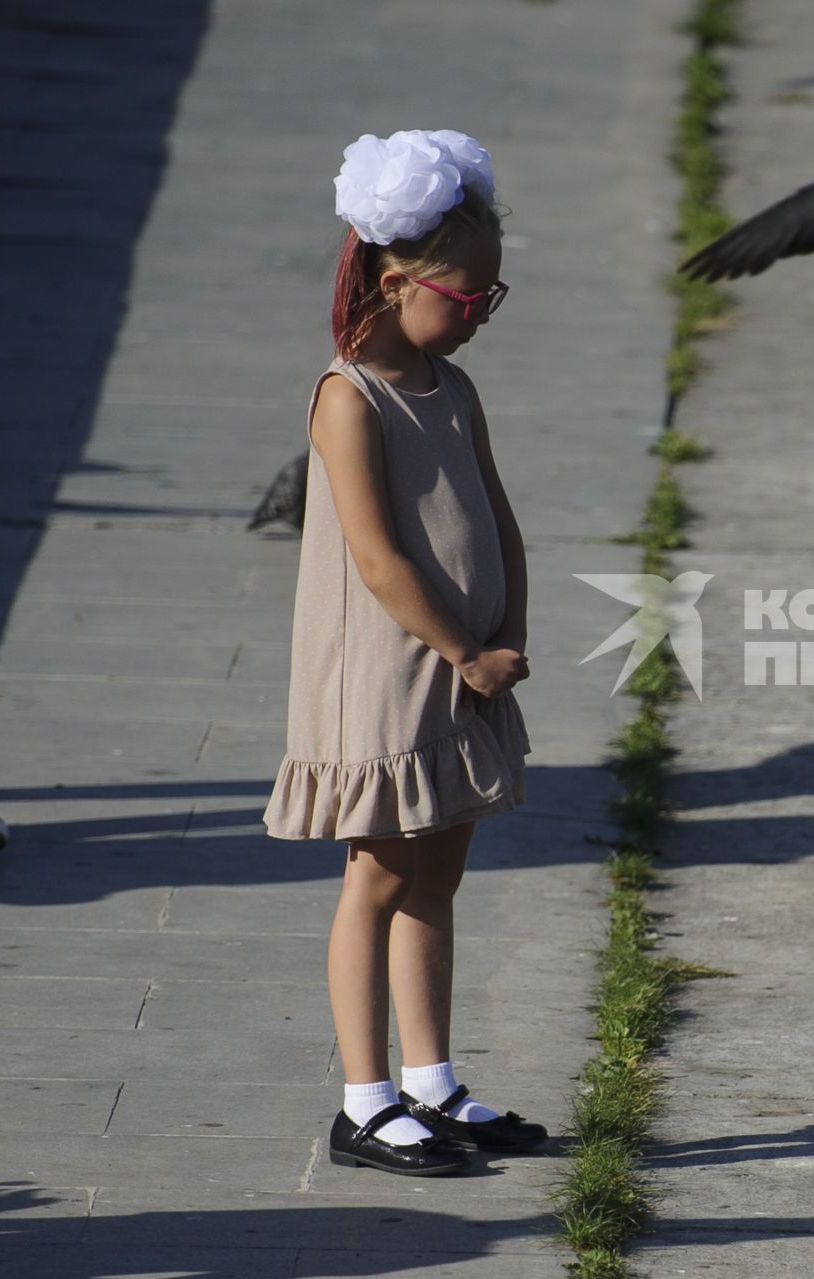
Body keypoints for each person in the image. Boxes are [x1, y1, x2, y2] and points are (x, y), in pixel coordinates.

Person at [264, 130, 543, 1176]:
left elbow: (498, 519)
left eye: (488, 300)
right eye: (468, 300)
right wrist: (465, 649)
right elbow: (377, 559)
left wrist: (509, 628)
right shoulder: (351, 398)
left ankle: (432, 1080)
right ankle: (364, 1099)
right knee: (377, 872)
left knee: (440, 866)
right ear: (396, 281)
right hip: (388, 676)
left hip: (465, 667)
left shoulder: (452, 390)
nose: (478, 317)